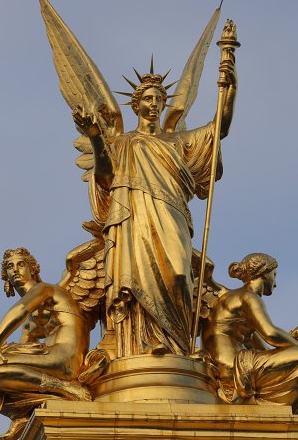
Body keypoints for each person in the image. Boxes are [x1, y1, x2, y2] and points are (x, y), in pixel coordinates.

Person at [73, 62, 236, 357]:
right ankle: (141, 347)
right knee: (134, 280)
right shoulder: (123, 143)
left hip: (171, 213)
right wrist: (97, 136)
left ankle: (179, 347)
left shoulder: (178, 141)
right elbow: (106, 176)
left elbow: (218, 129)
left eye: (158, 99)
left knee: (179, 278)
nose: (153, 104)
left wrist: (230, 86)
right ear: (136, 105)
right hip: (132, 215)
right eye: (147, 99)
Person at [0, 248, 91, 440]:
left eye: (20, 264)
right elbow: (15, 360)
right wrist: (4, 352)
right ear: (5, 276)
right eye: (10, 267)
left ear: (33, 269)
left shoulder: (46, 290)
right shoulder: (30, 323)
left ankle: (65, 388)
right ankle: (21, 412)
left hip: (67, 357)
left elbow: (20, 310)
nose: (15, 270)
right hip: (49, 358)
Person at [201, 253, 298, 413]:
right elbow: (271, 334)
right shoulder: (248, 297)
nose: (276, 283)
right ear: (264, 273)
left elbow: (263, 350)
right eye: (274, 275)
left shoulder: (233, 298)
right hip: (235, 366)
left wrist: (290, 344)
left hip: (229, 363)